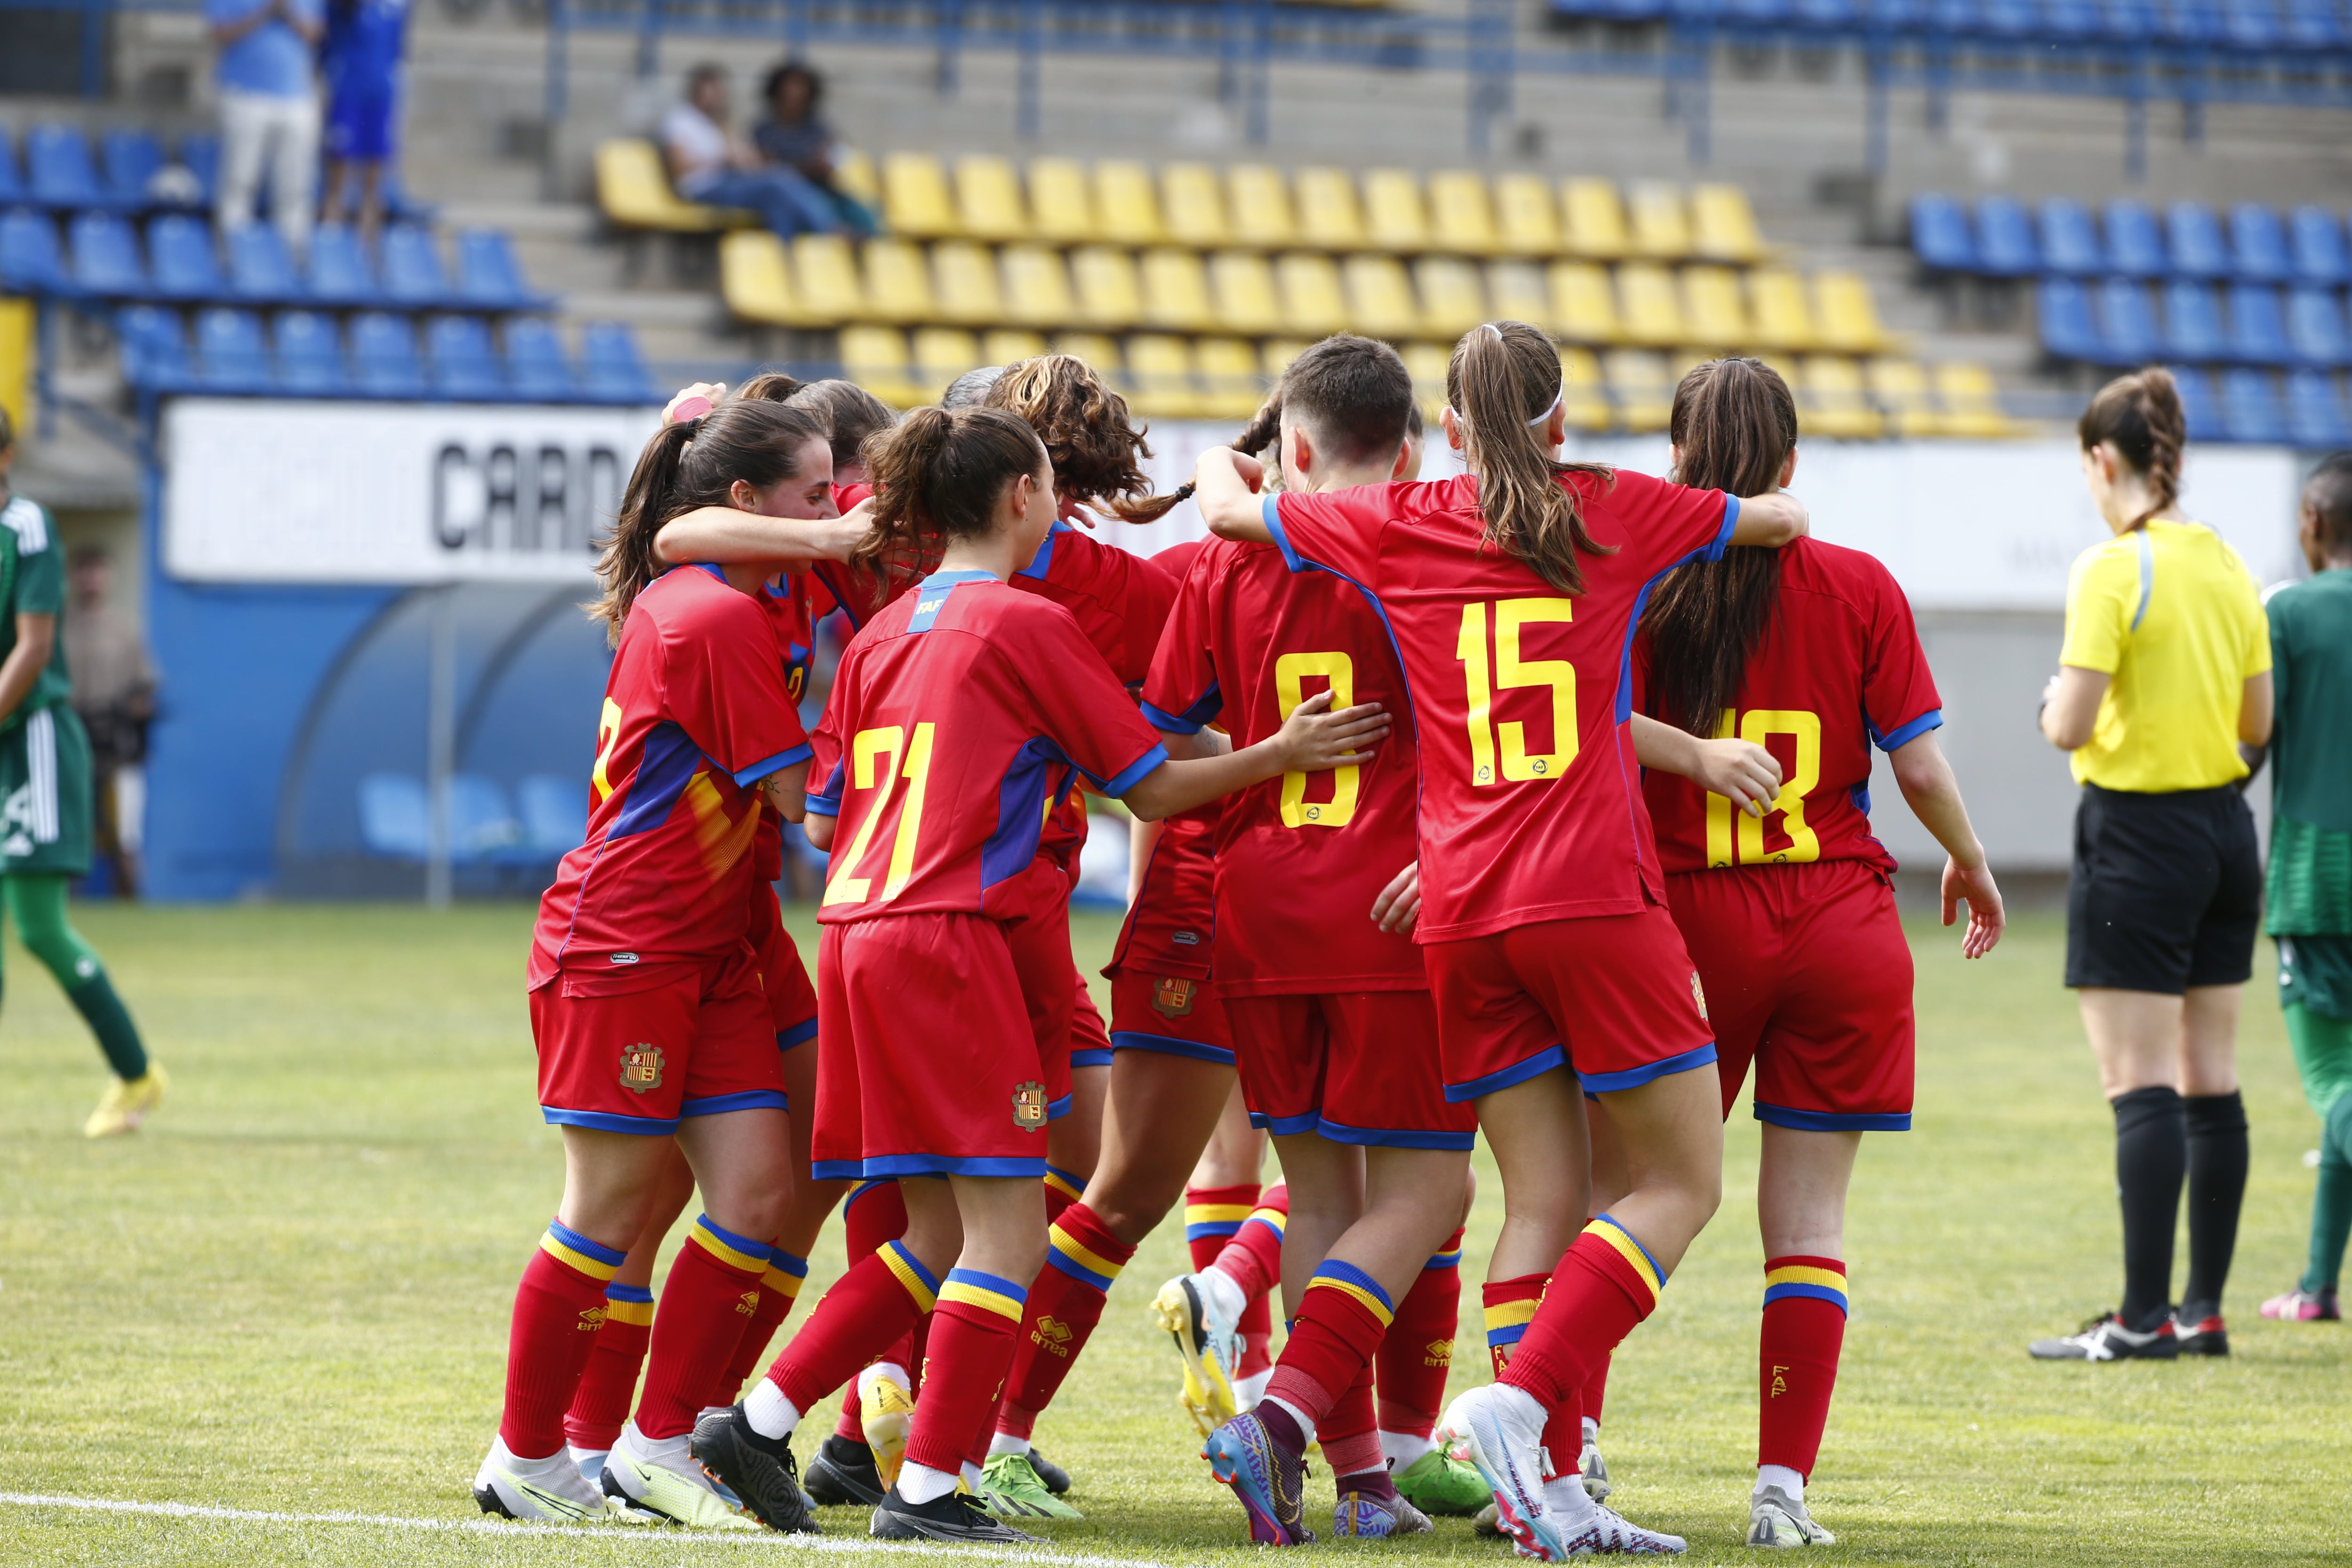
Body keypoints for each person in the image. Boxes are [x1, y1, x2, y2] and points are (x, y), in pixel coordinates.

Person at [686, 405, 1390, 1544]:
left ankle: (755, 1423)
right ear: (1021, 495)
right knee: (1006, 1232)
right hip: (948, 941)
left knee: (931, 1235)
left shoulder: (877, 636)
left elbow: (820, 815)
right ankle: (928, 1491)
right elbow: (1151, 785)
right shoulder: (1027, 624)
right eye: (1051, 486)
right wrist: (1281, 754)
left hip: (856, 931)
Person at [1190, 318, 1809, 1560]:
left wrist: (1237, 458)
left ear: (1453, 432)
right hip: (1590, 893)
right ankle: (1523, 1414)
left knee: (1536, 1197)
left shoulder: (1404, 515)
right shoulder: (1611, 506)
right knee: (1678, 1182)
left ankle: (1544, 1492)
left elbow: (1230, 518)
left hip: (1460, 911)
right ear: (1563, 422)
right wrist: (1696, 492)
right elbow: (1777, 519)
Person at [1633, 358, 2004, 1545]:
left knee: (1617, 1199)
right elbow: (1922, 767)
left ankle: (1561, 1445)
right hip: (1840, 923)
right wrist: (1971, 860)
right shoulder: (1860, 584)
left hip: (1686, 925)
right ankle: (1780, 1493)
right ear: (1791, 469)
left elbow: (1584, 735)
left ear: (1679, 467)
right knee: (1807, 1231)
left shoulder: (1643, 591)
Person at [1151, 336, 1484, 1542]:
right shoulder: (1429, 548)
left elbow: (1159, 751)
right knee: (1430, 1189)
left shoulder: (1212, 566)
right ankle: (1281, 1420)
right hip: (1392, 908)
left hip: (1257, 908)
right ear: (1406, 452)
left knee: (1324, 1199)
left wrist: (1256, 779)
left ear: (1290, 446)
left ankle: (1362, 1488)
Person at [471, 398, 826, 1527]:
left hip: (710, 944)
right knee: (613, 1203)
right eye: (815, 498)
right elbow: (794, 796)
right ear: (747, 507)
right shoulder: (708, 617)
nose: (831, 519)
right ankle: (523, 1460)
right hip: (627, 941)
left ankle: (654, 1445)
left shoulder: (733, 595)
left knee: (761, 1192)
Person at [2029, 367, 2272, 1362]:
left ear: (2101, 460)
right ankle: (2201, 1309)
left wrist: (2050, 705)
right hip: (2225, 830)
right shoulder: (2225, 562)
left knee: (2138, 1083)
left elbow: (2071, 723)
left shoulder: (2109, 569)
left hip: (2137, 833)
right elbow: (2258, 723)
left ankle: (2138, 1319)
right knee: (2209, 1076)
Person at [0, 412, 164, 1140]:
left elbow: (33, 650)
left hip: (28, 737)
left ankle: (136, 1075)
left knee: (39, 929)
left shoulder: (27, 527)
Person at [2256, 453, 2352, 1324]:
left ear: (2312, 524)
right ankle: (2320, 1286)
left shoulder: (2288, 608)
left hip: (2320, 877)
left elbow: (2250, 737)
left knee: (2333, 1081)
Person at [662, 64, 851, 244]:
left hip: (728, 179)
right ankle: (831, 229)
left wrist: (748, 157)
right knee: (779, 179)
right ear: (698, 91)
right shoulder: (681, 120)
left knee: (778, 203)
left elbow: (741, 154)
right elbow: (680, 167)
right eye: (711, 91)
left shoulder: (715, 123)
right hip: (704, 187)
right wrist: (721, 159)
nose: (716, 97)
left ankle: (783, 257)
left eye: (719, 92)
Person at [64, 546, 156, 900]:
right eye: (84, 571)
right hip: (72, 737)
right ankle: (70, 900)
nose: (91, 580)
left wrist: (134, 727)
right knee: (71, 826)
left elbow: (144, 687)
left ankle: (130, 899)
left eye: (98, 571)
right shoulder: (59, 625)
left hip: (114, 743)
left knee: (125, 830)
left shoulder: (124, 629)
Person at [206, 0, 324, 257]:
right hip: (245, 94)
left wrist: (287, 12)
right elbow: (218, 32)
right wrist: (264, 12)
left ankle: (293, 258)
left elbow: (315, 33)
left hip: (296, 95)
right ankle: (233, 255)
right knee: (240, 181)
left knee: (295, 187)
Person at [750, 61, 878, 236]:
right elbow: (769, 170)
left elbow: (836, 155)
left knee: (868, 216)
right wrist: (809, 166)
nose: (796, 96)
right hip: (795, 198)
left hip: (826, 190)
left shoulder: (818, 128)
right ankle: (836, 233)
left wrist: (828, 162)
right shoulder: (764, 131)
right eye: (790, 90)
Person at [319, 0, 409, 240]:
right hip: (347, 90)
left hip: (381, 93)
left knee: (374, 184)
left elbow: (399, 44)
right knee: (337, 181)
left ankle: (368, 251)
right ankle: (333, 247)